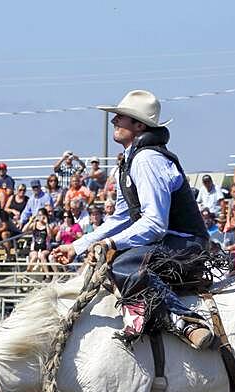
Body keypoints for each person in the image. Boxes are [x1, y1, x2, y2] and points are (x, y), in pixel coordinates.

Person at [50, 89, 215, 349]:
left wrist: (112, 245)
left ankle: (185, 321)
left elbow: (155, 223)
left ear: (139, 125)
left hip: (187, 243)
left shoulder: (147, 160)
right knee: (114, 258)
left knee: (122, 263)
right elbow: (121, 219)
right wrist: (77, 246)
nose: (114, 121)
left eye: (121, 117)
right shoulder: (128, 163)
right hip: (167, 241)